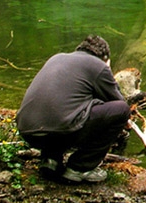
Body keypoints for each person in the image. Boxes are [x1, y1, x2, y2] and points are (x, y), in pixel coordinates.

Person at [16, 35, 131, 183]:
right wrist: (106, 69)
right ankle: (80, 168)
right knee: (121, 109)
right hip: (62, 131)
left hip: (28, 131)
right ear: (104, 57)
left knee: (66, 109)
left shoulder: (56, 58)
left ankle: (51, 159)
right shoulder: (98, 65)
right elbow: (118, 102)